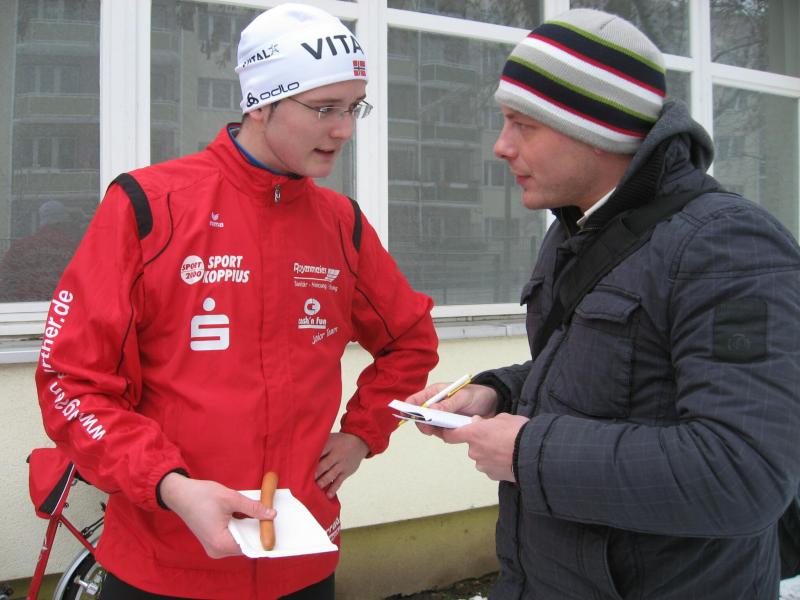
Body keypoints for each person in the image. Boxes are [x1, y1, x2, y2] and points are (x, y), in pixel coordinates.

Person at [34, 4, 438, 599]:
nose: (344, 130)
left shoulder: (340, 223)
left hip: (299, 562)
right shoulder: (149, 205)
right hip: (164, 563)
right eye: (324, 108)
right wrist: (170, 485)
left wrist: (361, 434)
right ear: (261, 103)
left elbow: (410, 341)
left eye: (354, 107)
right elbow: (71, 381)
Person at [408, 8, 800, 600]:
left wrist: (526, 453)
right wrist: (496, 392)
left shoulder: (729, 248)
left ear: (597, 131)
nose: (501, 146)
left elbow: (742, 471)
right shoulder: (579, 228)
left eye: (523, 125)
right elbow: (614, 371)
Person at [0, 200, 80, 302]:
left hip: (26, 307)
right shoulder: (75, 248)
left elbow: (5, 282)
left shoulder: (21, 248)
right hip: (65, 306)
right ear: (64, 221)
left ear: (40, 222)